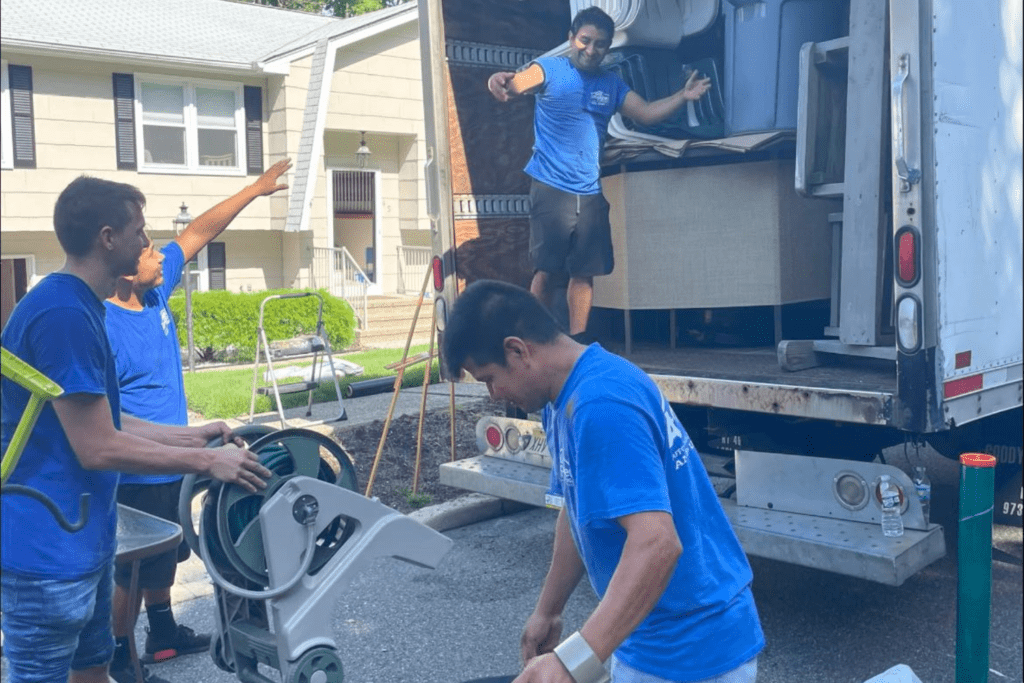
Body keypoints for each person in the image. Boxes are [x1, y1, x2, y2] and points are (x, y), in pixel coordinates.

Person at [0, 176, 272, 683]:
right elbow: (97, 446)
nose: (150, 246)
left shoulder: (77, 304)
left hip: (83, 541)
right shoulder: (64, 314)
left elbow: (106, 422)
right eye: (140, 233)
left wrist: (195, 435)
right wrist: (208, 461)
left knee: (94, 672)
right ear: (108, 238)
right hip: (46, 553)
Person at [442, 280, 765, 683]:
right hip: (647, 635)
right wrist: (549, 609)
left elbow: (657, 544)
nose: (493, 393)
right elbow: (578, 509)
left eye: (489, 377)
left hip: (693, 652)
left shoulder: (601, 404)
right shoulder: (565, 398)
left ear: (517, 350)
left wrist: (572, 661)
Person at [102, 159, 291, 683]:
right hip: (141, 469)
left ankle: (162, 633)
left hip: (182, 459)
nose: (158, 253)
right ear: (118, 259)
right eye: (145, 247)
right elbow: (106, 418)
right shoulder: (103, 323)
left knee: (167, 558)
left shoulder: (154, 291)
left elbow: (198, 232)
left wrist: (254, 190)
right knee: (130, 571)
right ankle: (119, 653)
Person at [487, 7, 711, 340]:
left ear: (607, 48)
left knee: (584, 273)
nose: (591, 50)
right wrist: (500, 80)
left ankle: (578, 341)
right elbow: (517, 83)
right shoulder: (549, 70)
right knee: (546, 270)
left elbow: (647, 113)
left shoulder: (611, 84)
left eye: (600, 45)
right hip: (551, 188)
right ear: (571, 39)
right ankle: (531, 337)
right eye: (585, 41)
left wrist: (683, 96)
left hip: (589, 192)